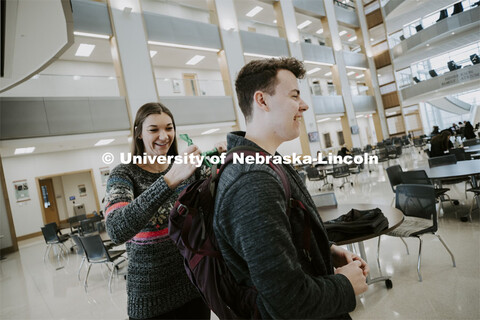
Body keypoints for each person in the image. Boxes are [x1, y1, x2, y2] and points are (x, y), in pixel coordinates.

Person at [213, 58, 369, 319]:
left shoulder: (263, 162)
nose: (304, 105)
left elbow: (278, 243)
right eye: (295, 95)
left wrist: (326, 251)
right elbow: (286, 300)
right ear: (262, 101)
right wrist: (344, 286)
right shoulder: (252, 181)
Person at [105, 102, 225, 319]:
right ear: (139, 134)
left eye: (169, 128)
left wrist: (225, 158)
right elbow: (116, 230)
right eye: (154, 129)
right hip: (151, 299)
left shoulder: (189, 167)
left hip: (195, 287)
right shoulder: (124, 174)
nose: (164, 136)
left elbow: (219, 197)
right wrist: (168, 180)